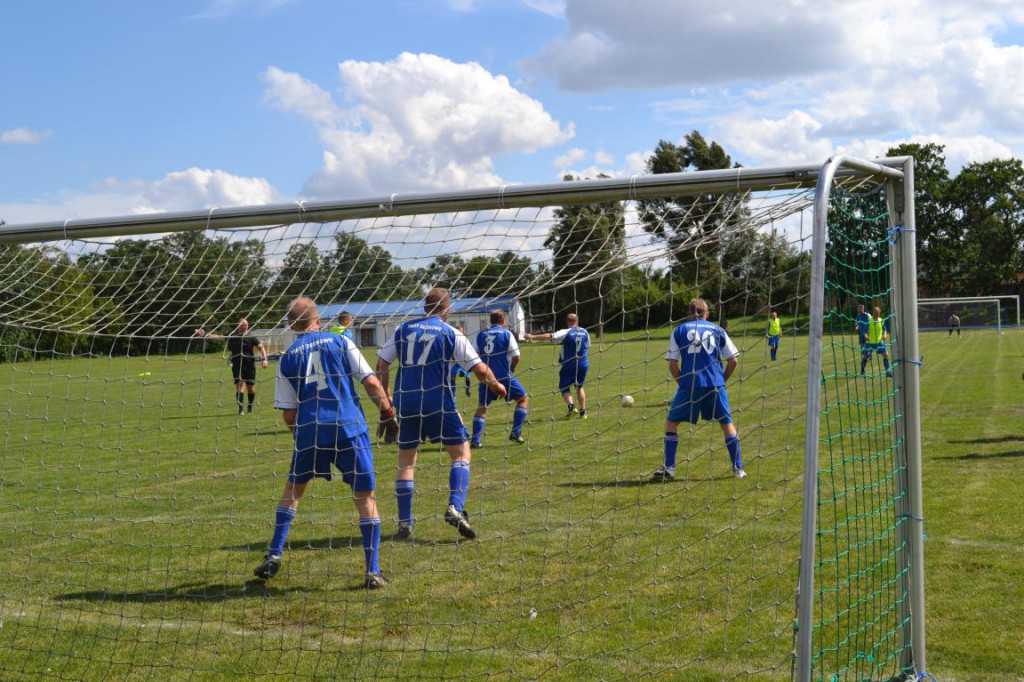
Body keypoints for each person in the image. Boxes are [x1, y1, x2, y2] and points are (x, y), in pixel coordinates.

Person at [254, 297, 398, 589]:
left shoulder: (288, 356)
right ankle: (372, 571)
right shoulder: (341, 342)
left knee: (293, 490)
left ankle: (274, 553)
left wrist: (302, 434)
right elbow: (371, 382)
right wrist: (387, 412)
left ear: (292, 325)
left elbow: (289, 414)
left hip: (310, 429)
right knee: (365, 496)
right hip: (348, 426)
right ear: (318, 320)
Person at [375, 288, 506, 541]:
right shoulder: (451, 332)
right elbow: (479, 369)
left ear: (425, 308)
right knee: (461, 453)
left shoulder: (403, 329)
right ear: (447, 309)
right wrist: (496, 384)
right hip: (439, 402)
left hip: (407, 403)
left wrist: (387, 397)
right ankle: (455, 506)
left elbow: (382, 363)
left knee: (406, 462)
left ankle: (404, 522)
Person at [653, 298, 746, 481]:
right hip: (715, 384)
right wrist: (721, 380)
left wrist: (684, 384)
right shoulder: (718, 330)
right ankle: (739, 470)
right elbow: (733, 360)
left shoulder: (679, 330)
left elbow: (672, 364)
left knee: (672, 422)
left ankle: (670, 468)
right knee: (727, 424)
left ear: (688, 313)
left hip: (690, 384)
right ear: (707, 314)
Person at [470, 310, 530, 447]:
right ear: (503, 321)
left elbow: (473, 356)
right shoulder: (506, 333)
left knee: (483, 407)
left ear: (491, 321)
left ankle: (475, 440)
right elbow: (516, 356)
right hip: (503, 375)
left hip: (486, 376)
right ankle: (516, 432)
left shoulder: (481, 334)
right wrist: (512, 368)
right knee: (523, 399)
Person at [194, 318, 268, 415]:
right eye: (243, 324)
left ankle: (250, 406)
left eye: (246, 324)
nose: (245, 326)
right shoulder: (232, 335)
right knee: (240, 385)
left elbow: (261, 348)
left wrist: (265, 359)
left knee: (251, 388)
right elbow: (218, 337)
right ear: (238, 326)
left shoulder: (251, 337)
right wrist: (204, 334)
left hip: (249, 365)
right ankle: (240, 409)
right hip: (237, 364)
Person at [524, 313, 590, 419]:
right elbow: (587, 346)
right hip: (583, 363)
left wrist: (532, 336)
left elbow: (550, 336)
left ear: (567, 321)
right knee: (579, 387)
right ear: (577, 321)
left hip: (569, 364)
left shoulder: (566, 331)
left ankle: (571, 406)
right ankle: (583, 412)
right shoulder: (585, 332)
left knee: (564, 387)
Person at [860, 306, 892, 377]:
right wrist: (866, 336)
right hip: (870, 343)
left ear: (879, 313)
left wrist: (885, 335)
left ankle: (888, 372)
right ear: (873, 313)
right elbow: (864, 331)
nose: (876, 313)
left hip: (880, 342)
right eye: (875, 312)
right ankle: (862, 371)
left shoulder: (881, 320)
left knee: (885, 355)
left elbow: (885, 329)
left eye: (877, 312)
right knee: (866, 357)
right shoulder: (869, 320)